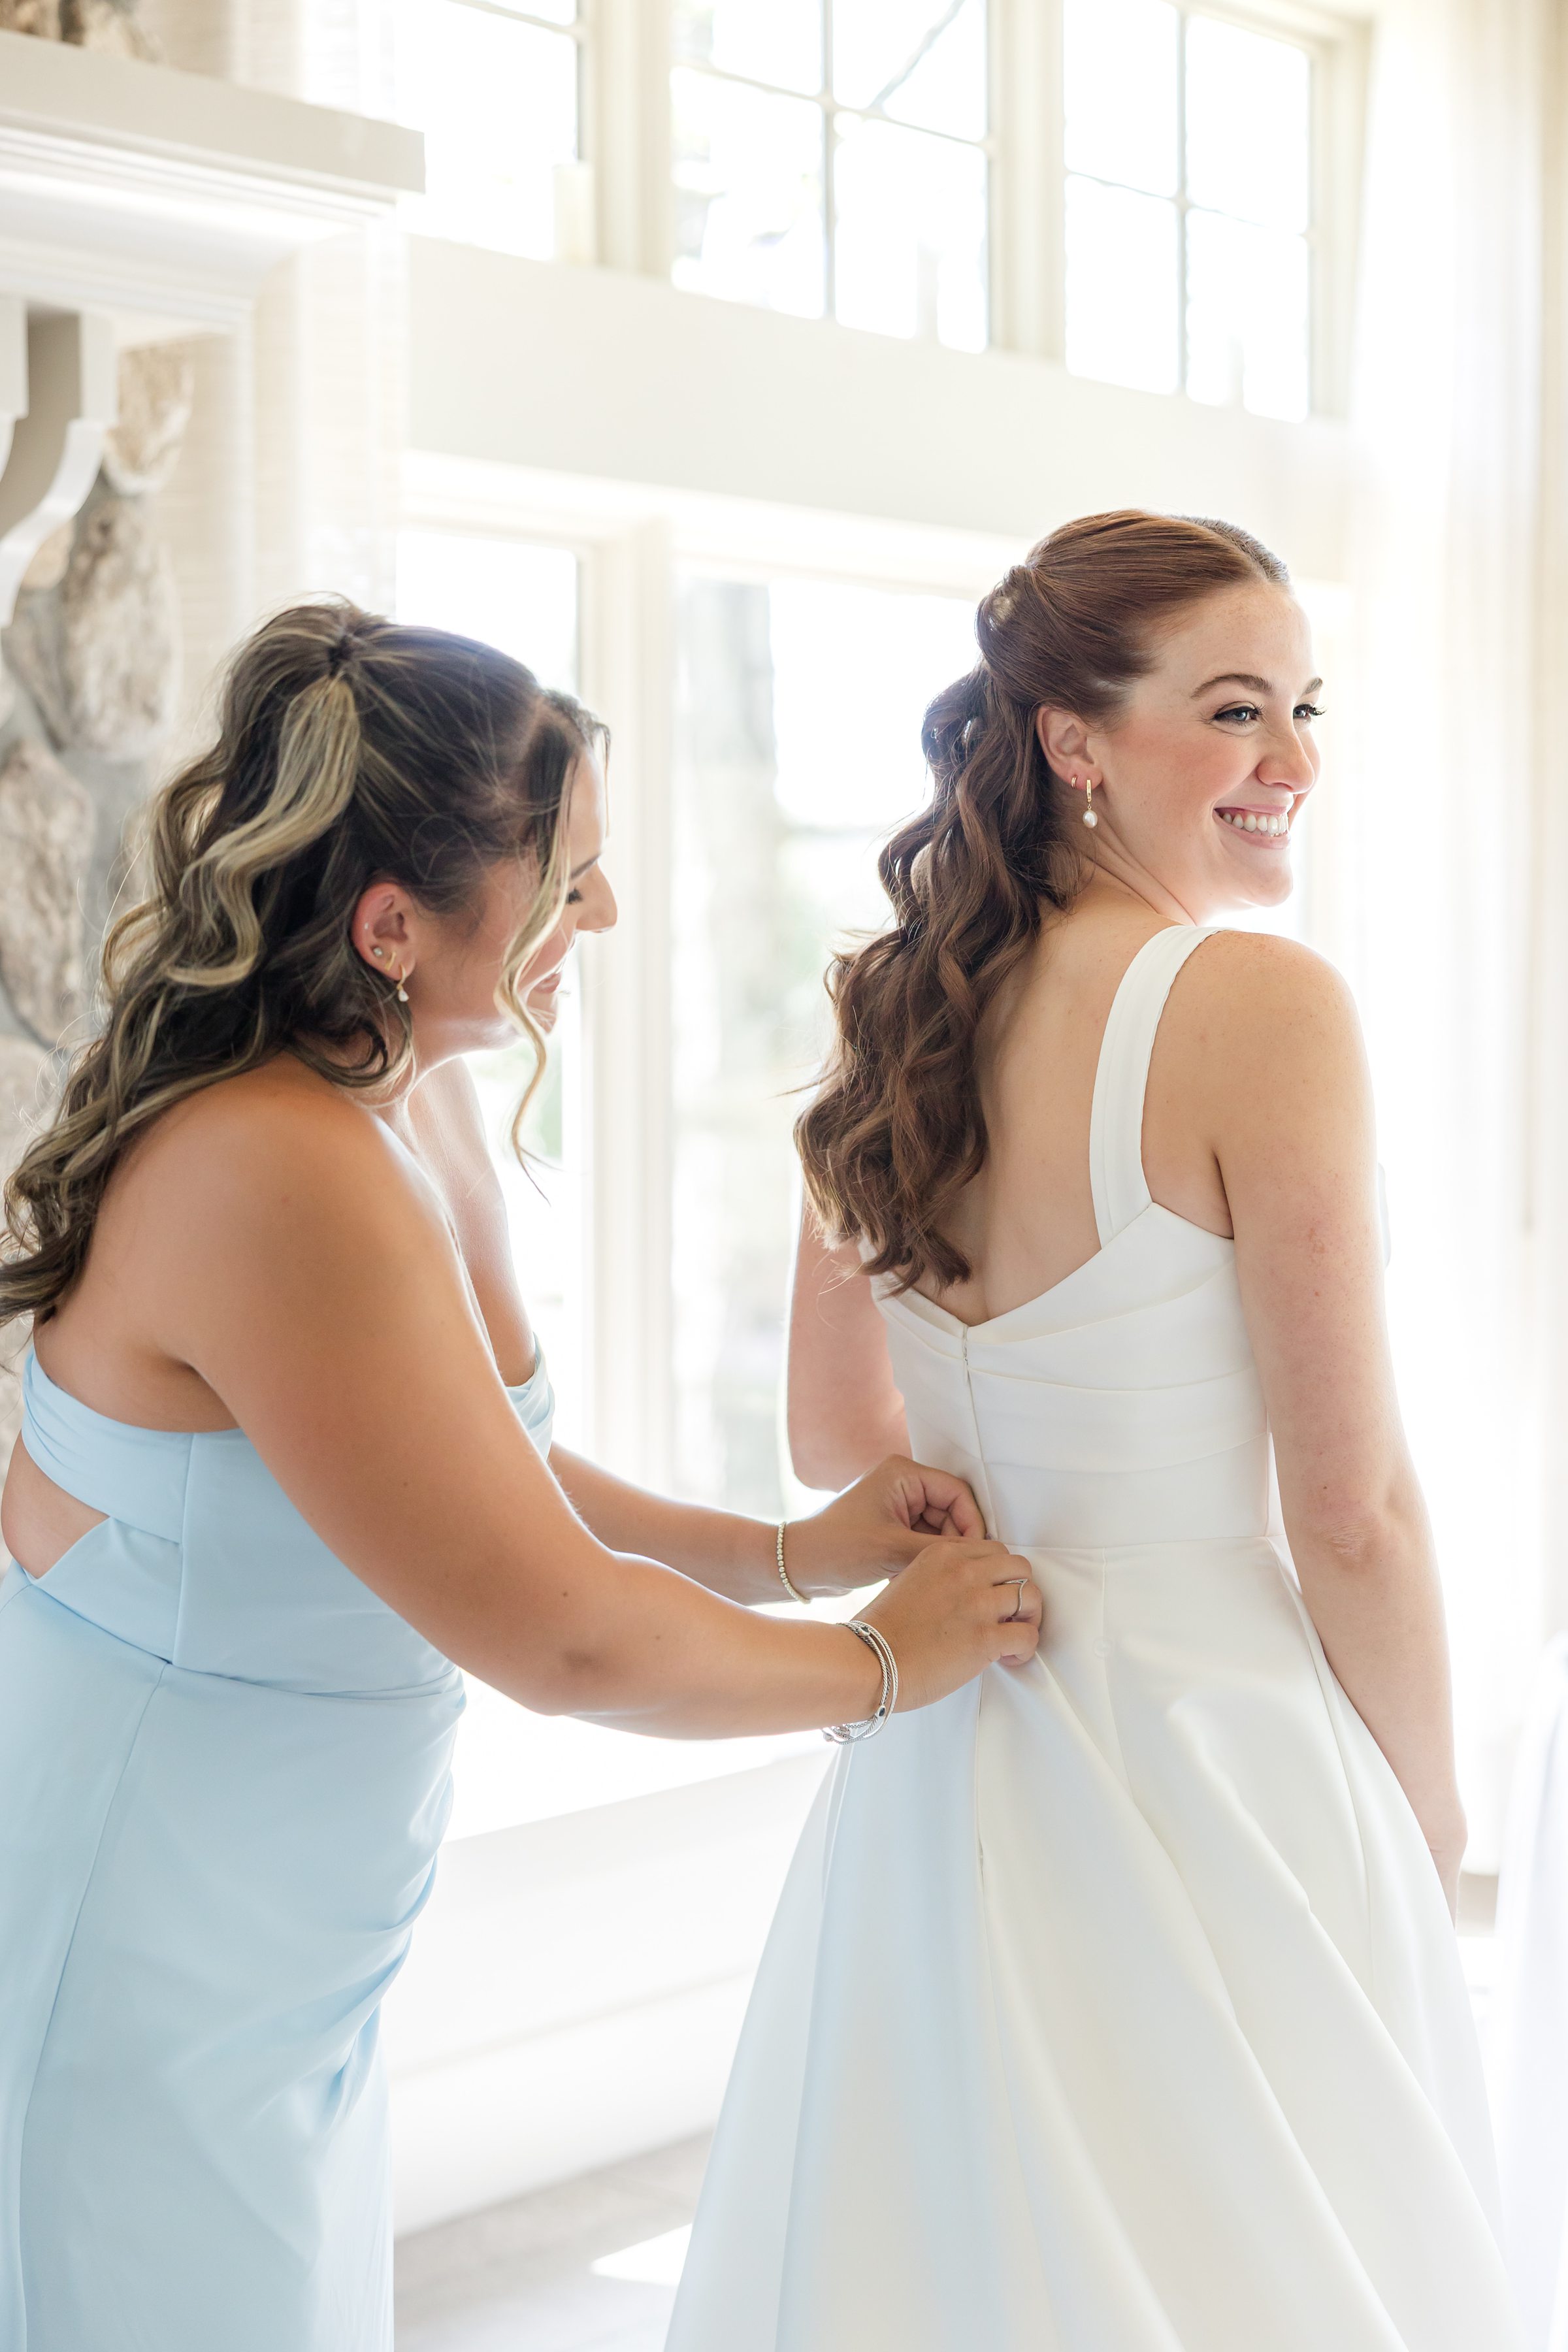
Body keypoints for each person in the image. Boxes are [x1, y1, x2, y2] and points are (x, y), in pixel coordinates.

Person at [0, 600, 1042, 2352]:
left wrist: (793, 1553)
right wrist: (885, 1664)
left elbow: (502, 1473)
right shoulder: (270, 1167)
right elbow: (561, 1641)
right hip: (138, 1947)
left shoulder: (407, 1092)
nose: (608, 919)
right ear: (395, 924)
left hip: (285, 1957)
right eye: (567, 884)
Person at [667, 511, 1522, 2350]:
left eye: (1304, 708)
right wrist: (1426, 1809)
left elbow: (841, 1435)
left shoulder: (891, 1003)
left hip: (951, 1734)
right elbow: (1351, 1506)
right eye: (1234, 713)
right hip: (1224, 1747)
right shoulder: (1258, 1007)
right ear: (1074, 741)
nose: (1291, 763)